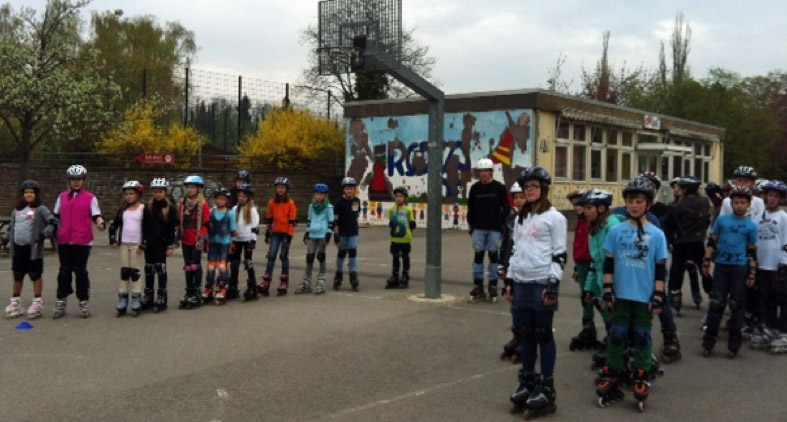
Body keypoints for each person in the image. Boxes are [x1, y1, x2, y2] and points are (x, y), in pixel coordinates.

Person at [596, 178, 668, 411]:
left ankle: (641, 373)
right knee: (616, 335)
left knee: (642, 336)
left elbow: (660, 268)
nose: (634, 205)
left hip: (644, 297)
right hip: (621, 295)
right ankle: (613, 371)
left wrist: (658, 295)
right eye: (630, 201)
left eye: (639, 201)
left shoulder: (657, 234)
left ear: (648, 204)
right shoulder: (616, 231)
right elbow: (609, 263)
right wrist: (608, 289)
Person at [506, 167, 566, 418]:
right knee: (526, 333)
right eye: (526, 187)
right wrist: (510, 279)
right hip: (521, 281)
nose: (529, 191)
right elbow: (515, 250)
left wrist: (552, 284)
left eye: (534, 186)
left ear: (543, 188)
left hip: (542, 281)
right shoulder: (521, 218)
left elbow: (559, 254)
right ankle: (528, 380)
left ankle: (547, 386)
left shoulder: (555, 218)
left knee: (543, 333)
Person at [701, 186, 759, 358]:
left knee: (736, 304)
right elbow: (712, 241)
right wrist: (706, 261)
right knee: (716, 302)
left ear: (749, 205)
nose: (739, 205)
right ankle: (709, 339)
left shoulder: (751, 226)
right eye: (736, 202)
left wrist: (752, 272)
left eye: (743, 203)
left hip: (739, 267)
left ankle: (734, 342)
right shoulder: (723, 220)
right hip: (721, 265)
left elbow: (752, 251)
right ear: (731, 203)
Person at [53, 165, 106, 319]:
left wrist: (100, 223)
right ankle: (61, 300)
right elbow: (55, 216)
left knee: (80, 271)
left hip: (82, 240)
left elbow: (96, 215)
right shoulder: (62, 197)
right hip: (64, 240)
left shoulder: (90, 198)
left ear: (84, 180)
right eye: (73, 179)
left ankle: (83, 300)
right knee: (64, 271)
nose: (76, 182)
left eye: (79, 179)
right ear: (69, 180)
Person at [718, 166, 766, 335]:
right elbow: (721, 224)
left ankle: (748, 318)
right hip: (730, 250)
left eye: (746, 181)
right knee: (730, 287)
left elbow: (758, 226)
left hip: (749, 249)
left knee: (748, 286)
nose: (742, 183)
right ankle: (729, 318)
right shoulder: (727, 202)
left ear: (752, 184)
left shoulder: (758, 203)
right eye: (739, 180)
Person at [579, 190, 624, 367]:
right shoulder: (595, 228)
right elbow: (596, 262)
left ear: (601, 208)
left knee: (618, 320)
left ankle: (620, 356)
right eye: (584, 208)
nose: (585, 211)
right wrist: (589, 288)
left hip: (615, 282)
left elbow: (617, 261)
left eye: (589, 208)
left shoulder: (612, 228)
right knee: (608, 318)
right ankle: (614, 350)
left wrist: (610, 287)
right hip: (601, 280)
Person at [4, 180, 57, 319]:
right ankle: (15, 302)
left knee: (35, 274)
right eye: (26, 192)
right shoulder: (17, 210)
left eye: (31, 192)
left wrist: (43, 234)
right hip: (18, 248)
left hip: (33, 249)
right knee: (17, 275)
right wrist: (6, 239)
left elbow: (53, 222)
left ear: (36, 194)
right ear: (22, 194)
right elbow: (12, 227)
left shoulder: (41, 209)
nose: (28, 194)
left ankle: (37, 301)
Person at [665, 176, 712, 313]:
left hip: (680, 242)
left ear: (685, 190)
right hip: (697, 241)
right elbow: (707, 220)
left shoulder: (676, 205)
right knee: (703, 267)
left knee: (677, 269)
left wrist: (670, 240)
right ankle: (711, 290)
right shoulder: (704, 202)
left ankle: (675, 293)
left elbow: (670, 224)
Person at [750, 180, 787, 352]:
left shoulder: (783, 217)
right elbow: (755, 239)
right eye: (769, 195)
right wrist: (753, 259)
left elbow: (786, 241)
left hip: (777, 265)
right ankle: (770, 328)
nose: (771, 199)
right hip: (762, 264)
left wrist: (784, 261)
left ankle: (784, 331)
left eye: (775, 196)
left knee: (782, 298)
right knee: (766, 297)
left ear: (781, 199)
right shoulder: (761, 216)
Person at [467, 158, 510, 302]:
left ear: (491, 172)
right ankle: (478, 285)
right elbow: (471, 208)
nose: (483, 174)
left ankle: (493, 285)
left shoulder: (499, 188)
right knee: (478, 256)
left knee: (493, 256)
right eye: (481, 171)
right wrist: (471, 225)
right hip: (478, 228)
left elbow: (506, 208)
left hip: (494, 228)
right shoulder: (475, 188)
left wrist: (502, 224)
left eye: (486, 171)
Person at [109, 181, 152, 317]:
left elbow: (149, 229)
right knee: (124, 272)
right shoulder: (123, 210)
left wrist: (144, 244)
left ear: (138, 194)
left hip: (137, 246)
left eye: (131, 194)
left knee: (135, 272)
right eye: (126, 194)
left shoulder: (143, 209)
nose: (128, 196)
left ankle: (136, 298)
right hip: (124, 244)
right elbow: (113, 225)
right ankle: (122, 298)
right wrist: (113, 239)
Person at [566, 189, 599, 351]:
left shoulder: (591, 222)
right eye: (574, 204)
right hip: (581, 264)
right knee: (584, 297)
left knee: (596, 297)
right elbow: (578, 245)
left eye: (580, 204)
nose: (576, 207)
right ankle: (588, 327)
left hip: (592, 264)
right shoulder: (580, 221)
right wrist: (576, 268)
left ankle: (611, 330)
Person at [143, 178, 178, 312]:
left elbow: (173, 228)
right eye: (155, 192)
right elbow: (144, 226)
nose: (158, 194)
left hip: (162, 243)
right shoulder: (148, 207)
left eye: (160, 192)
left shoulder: (170, 208)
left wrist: (170, 245)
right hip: (150, 243)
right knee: (149, 269)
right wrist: (143, 241)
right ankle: (148, 297)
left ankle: (162, 297)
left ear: (165, 192)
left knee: (160, 269)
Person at [499, 181, 526, 362]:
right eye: (516, 197)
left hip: (526, 269)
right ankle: (517, 334)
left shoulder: (532, 220)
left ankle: (526, 338)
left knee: (524, 303)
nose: (518, 201)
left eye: (522, 197)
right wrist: (502, 265)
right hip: (511, 266)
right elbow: (505, 244)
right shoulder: (511, 220)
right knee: (513, 303)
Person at [178, 175, 210, 310]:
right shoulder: (182, 203)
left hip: (197, 239)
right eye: (188, 187)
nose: (190, 190)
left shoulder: (203, 204)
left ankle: (197, 291)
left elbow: (206, 223)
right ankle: (189, 290)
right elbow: (179, 220)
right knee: (187, 266)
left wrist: (202, 237)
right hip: (185, 238)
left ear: (198, 189)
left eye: (192, 187)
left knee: (195, 265)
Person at [262, 177, 297, 296]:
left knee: (283, 256)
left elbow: (292, 221)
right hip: (275, 232)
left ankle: (284, 281)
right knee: (271, 255)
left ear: (286, 189)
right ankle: (267, 280)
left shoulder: (290, 203)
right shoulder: (272, 202)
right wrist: (267, 232)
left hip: (286, 233)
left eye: (282, 187)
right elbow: (269, 218)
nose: (280, 189)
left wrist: (290, 235)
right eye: (278, 187)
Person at [297, 184, 334, 294]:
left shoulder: (329, 207)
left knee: (321, 257)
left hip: (322, 234)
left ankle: (321, 281)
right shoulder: (311, 206)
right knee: (309, 257)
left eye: (321, 194)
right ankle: (306, 281)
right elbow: (310, 220)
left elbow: (331, 222)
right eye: (317, 194)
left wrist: (328, 235)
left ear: (325, 195)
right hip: (313, 234)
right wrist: (306, 233)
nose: (319, 196)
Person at [203, 189, 236, 305]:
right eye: (218, 198)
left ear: (226, 200)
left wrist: (232, 243)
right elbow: (206, 227)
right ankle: (209, 288)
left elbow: (233, 230)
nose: (219, 201)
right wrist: (206, 241)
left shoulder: (230, 213)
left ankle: (222, 288)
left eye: (222, 199)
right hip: (213, 242)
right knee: (211, 266)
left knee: (222, 266)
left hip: (225, 243)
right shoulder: (211, 212)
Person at [230, 183, 260, 302]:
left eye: (244, 196)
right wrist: (231, 238)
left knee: (248, 263)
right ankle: (233, 286)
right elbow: (232, 225)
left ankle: (252, 287)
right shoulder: (234, 209)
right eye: (240, 196)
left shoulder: (252, 210)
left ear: (249, 197)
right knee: (234, 263)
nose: (241, 198)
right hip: (236, 240)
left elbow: (255, 227)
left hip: (247, 239)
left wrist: (253, 240)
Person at [333, 177, 362, 291]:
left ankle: (353, 275)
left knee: (352, 252)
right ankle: (339, 274)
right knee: (341, 253)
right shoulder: (339, 202)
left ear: (354, 189)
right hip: (342, 232)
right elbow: (336, 220)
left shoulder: (356, 201)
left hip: (353, 232)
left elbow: (355, 214)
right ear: (343, 190)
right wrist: (336, 235)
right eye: (347, 189)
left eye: (351, 188)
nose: (349, 191)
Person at [386, 186, 416, 289]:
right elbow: (391, 222)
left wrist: (410, 233)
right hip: (395, 238)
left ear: (405, 198)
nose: (398, 198)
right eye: (397, 196)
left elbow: (411, 223)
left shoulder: (408, 210)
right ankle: (395, 275)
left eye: (401, 196)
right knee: (395, 257)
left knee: (405, 256)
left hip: (405, 238)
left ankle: (405, 275)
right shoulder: (392, 210)